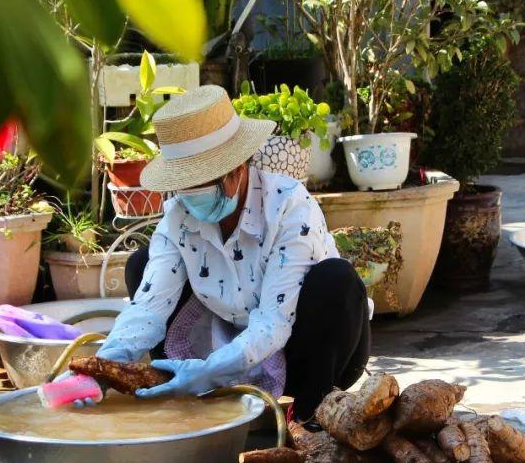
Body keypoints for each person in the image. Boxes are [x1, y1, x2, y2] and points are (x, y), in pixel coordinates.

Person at [92, 85, 370, 419]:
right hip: (224, 334)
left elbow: (274, 321)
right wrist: (102, 368)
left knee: (335, 279)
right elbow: (148, 308)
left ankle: (309, 417)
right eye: (185, 187)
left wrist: (212, 369)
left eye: (202, 186)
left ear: (238, 170)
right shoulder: (178, 215)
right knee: (140, 265)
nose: (191, 198)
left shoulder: (289, 206)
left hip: (311, 345)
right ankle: (180, 396)